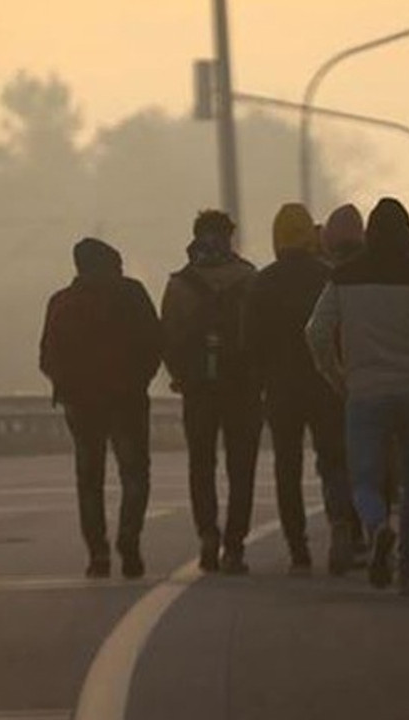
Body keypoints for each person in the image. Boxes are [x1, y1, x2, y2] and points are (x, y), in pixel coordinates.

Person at [306, 198, 409, 594]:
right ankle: (407, 571)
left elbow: (315, 331)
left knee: (363, 479)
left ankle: (378, 525)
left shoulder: (344, 277)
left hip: (363, 391)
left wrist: (335, 374)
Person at [39, 237, 162, 579]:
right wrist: (139, 379)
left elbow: (47, 356)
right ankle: (129, 540)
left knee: (89, 478)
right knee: (134, 473)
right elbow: (155, 341)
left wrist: (67, 386)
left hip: (81, 405)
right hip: (127, 401)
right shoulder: (132, 295)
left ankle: (98, 554)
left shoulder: (62, 302)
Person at [244, 203, 357, 575]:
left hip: (281, 389)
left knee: (287, 466)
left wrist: (260, 381)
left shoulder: (263, 282)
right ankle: (342, 523)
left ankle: (298, 547)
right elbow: (341, 333)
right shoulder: (328, 276)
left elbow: (251, 342)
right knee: (334, 459)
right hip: (325, 384)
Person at [162, 210, 263, 575]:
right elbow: (261, 335)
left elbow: (167, 339)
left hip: (198, 390)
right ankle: (235, 547)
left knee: (201, 465)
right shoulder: (250, 279)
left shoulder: (179, 285)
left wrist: (181, 377)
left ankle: (207, 534)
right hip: (243, 389)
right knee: (242, 468)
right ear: (229, 236)